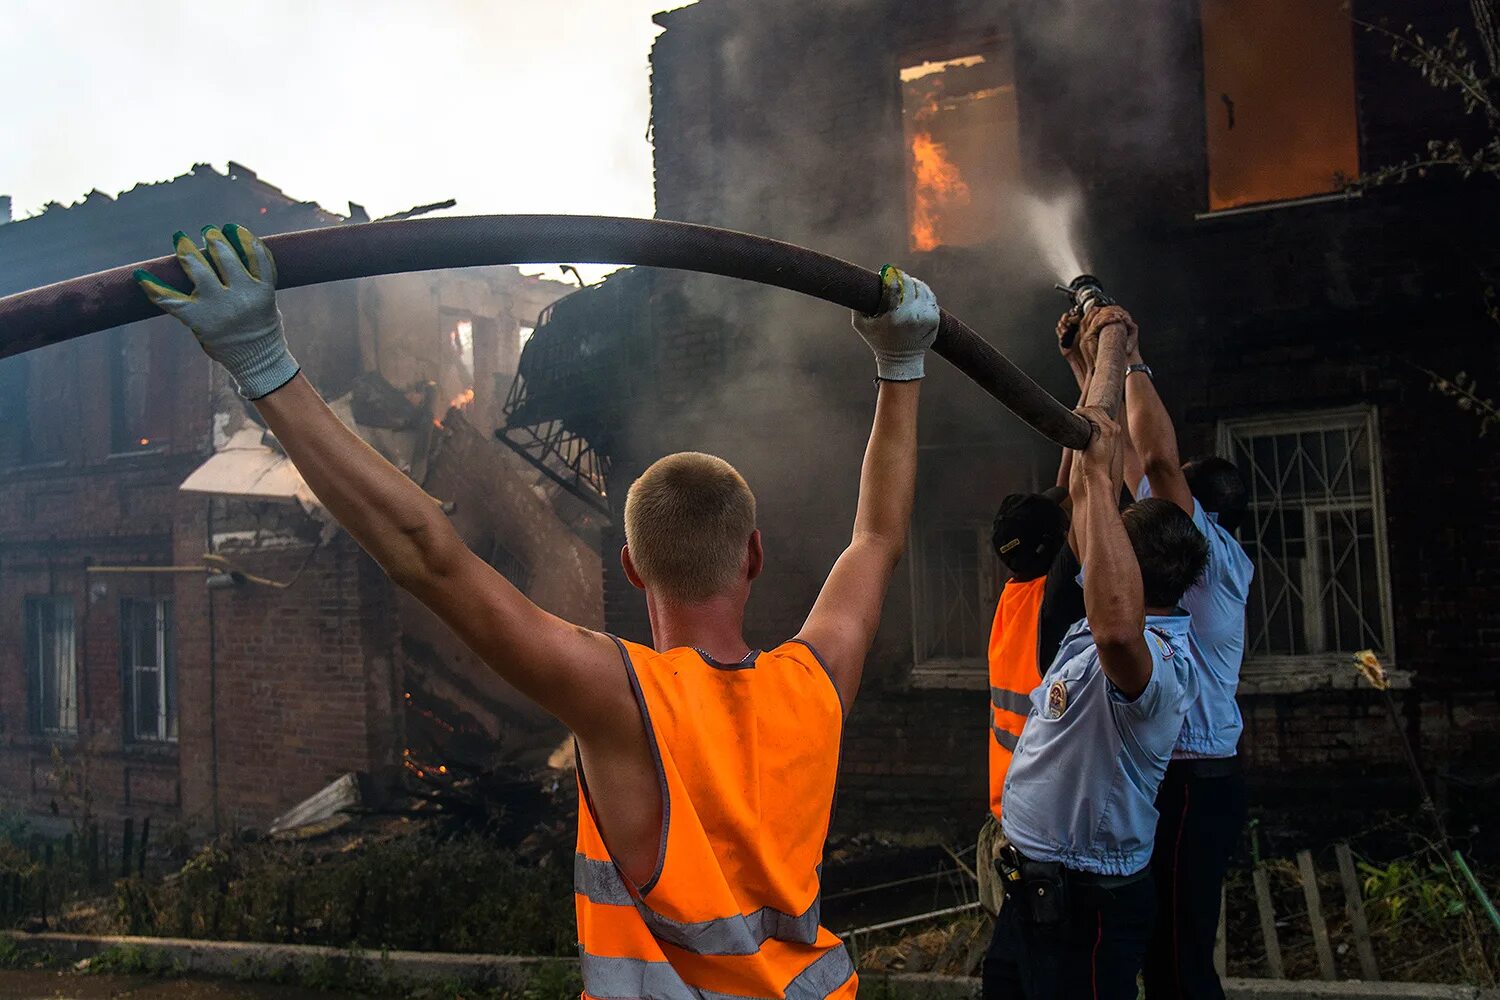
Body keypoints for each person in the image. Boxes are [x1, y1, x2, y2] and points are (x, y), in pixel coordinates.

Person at [135, 226, 941, 1000]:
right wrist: (901, 367)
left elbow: (429, 552)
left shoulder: (620, 699)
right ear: (754, 557)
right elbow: (875, 539)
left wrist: (263, 364)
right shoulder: (816, 680)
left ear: (630, 568)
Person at [986, 303, 1209, 998]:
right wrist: (1085, 369)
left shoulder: (1155, 662)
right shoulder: (1090, 623)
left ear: (1130, 578)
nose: (1091, 554)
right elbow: (1084, 504)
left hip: (1084, 905)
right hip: (1032, 890)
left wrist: (1114, 347)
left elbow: (1117, 623)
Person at [1118, 318, 1254, 1000]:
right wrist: (1096, 366)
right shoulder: (1203, 562)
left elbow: (1159, 466)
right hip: (1175, 774)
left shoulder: (1215, 563)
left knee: (1178, 956)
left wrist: (1135, 358)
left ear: (1206, 516)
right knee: (1162, 946)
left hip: (1196, 781)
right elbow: (1134, 465)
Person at [976, 487, 1071, 916]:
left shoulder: (1013, 598)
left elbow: (1064, 504)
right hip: (1044, 835)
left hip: (1007, 818)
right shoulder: (1055, 605)